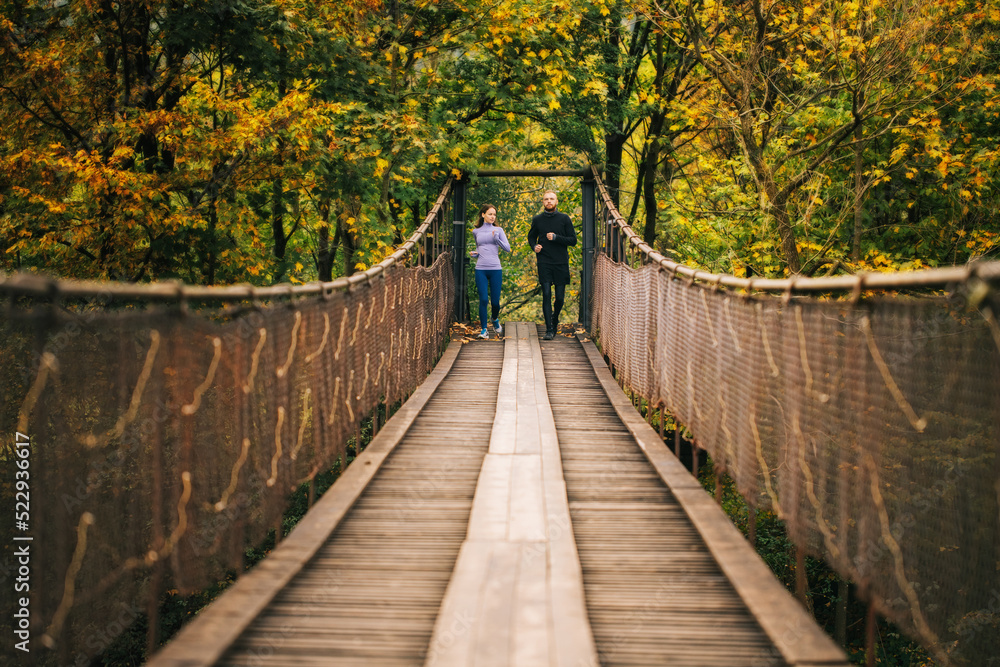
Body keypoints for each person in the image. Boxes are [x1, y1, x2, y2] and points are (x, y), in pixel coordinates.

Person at [528, 190, 577, 340]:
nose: (549, 201)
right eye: (546, 199)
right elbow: (531, 237)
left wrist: (556, 237)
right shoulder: (537, 219)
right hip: (544, 261)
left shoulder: (564, 219)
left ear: (556, 202)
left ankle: (554, 320)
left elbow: (573, 240)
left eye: (551, 199)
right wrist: (534, 246)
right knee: (547, 294)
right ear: (543, 202)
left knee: (560, 298)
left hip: (561, 262)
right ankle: (549, 330)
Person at [470, 204, 511, 339]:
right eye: (490, 214)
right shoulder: (476, 232)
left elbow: (507, 248)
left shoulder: (498, 230)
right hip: (480, 268)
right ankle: (484, 330)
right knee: (483, 299)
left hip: (495, 269)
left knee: (495, 302)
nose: (493, 217)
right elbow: (480, 247)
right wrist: (475, 254)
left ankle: (494, 319)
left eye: (494, 214)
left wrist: (497, 239)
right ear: (483, 215)